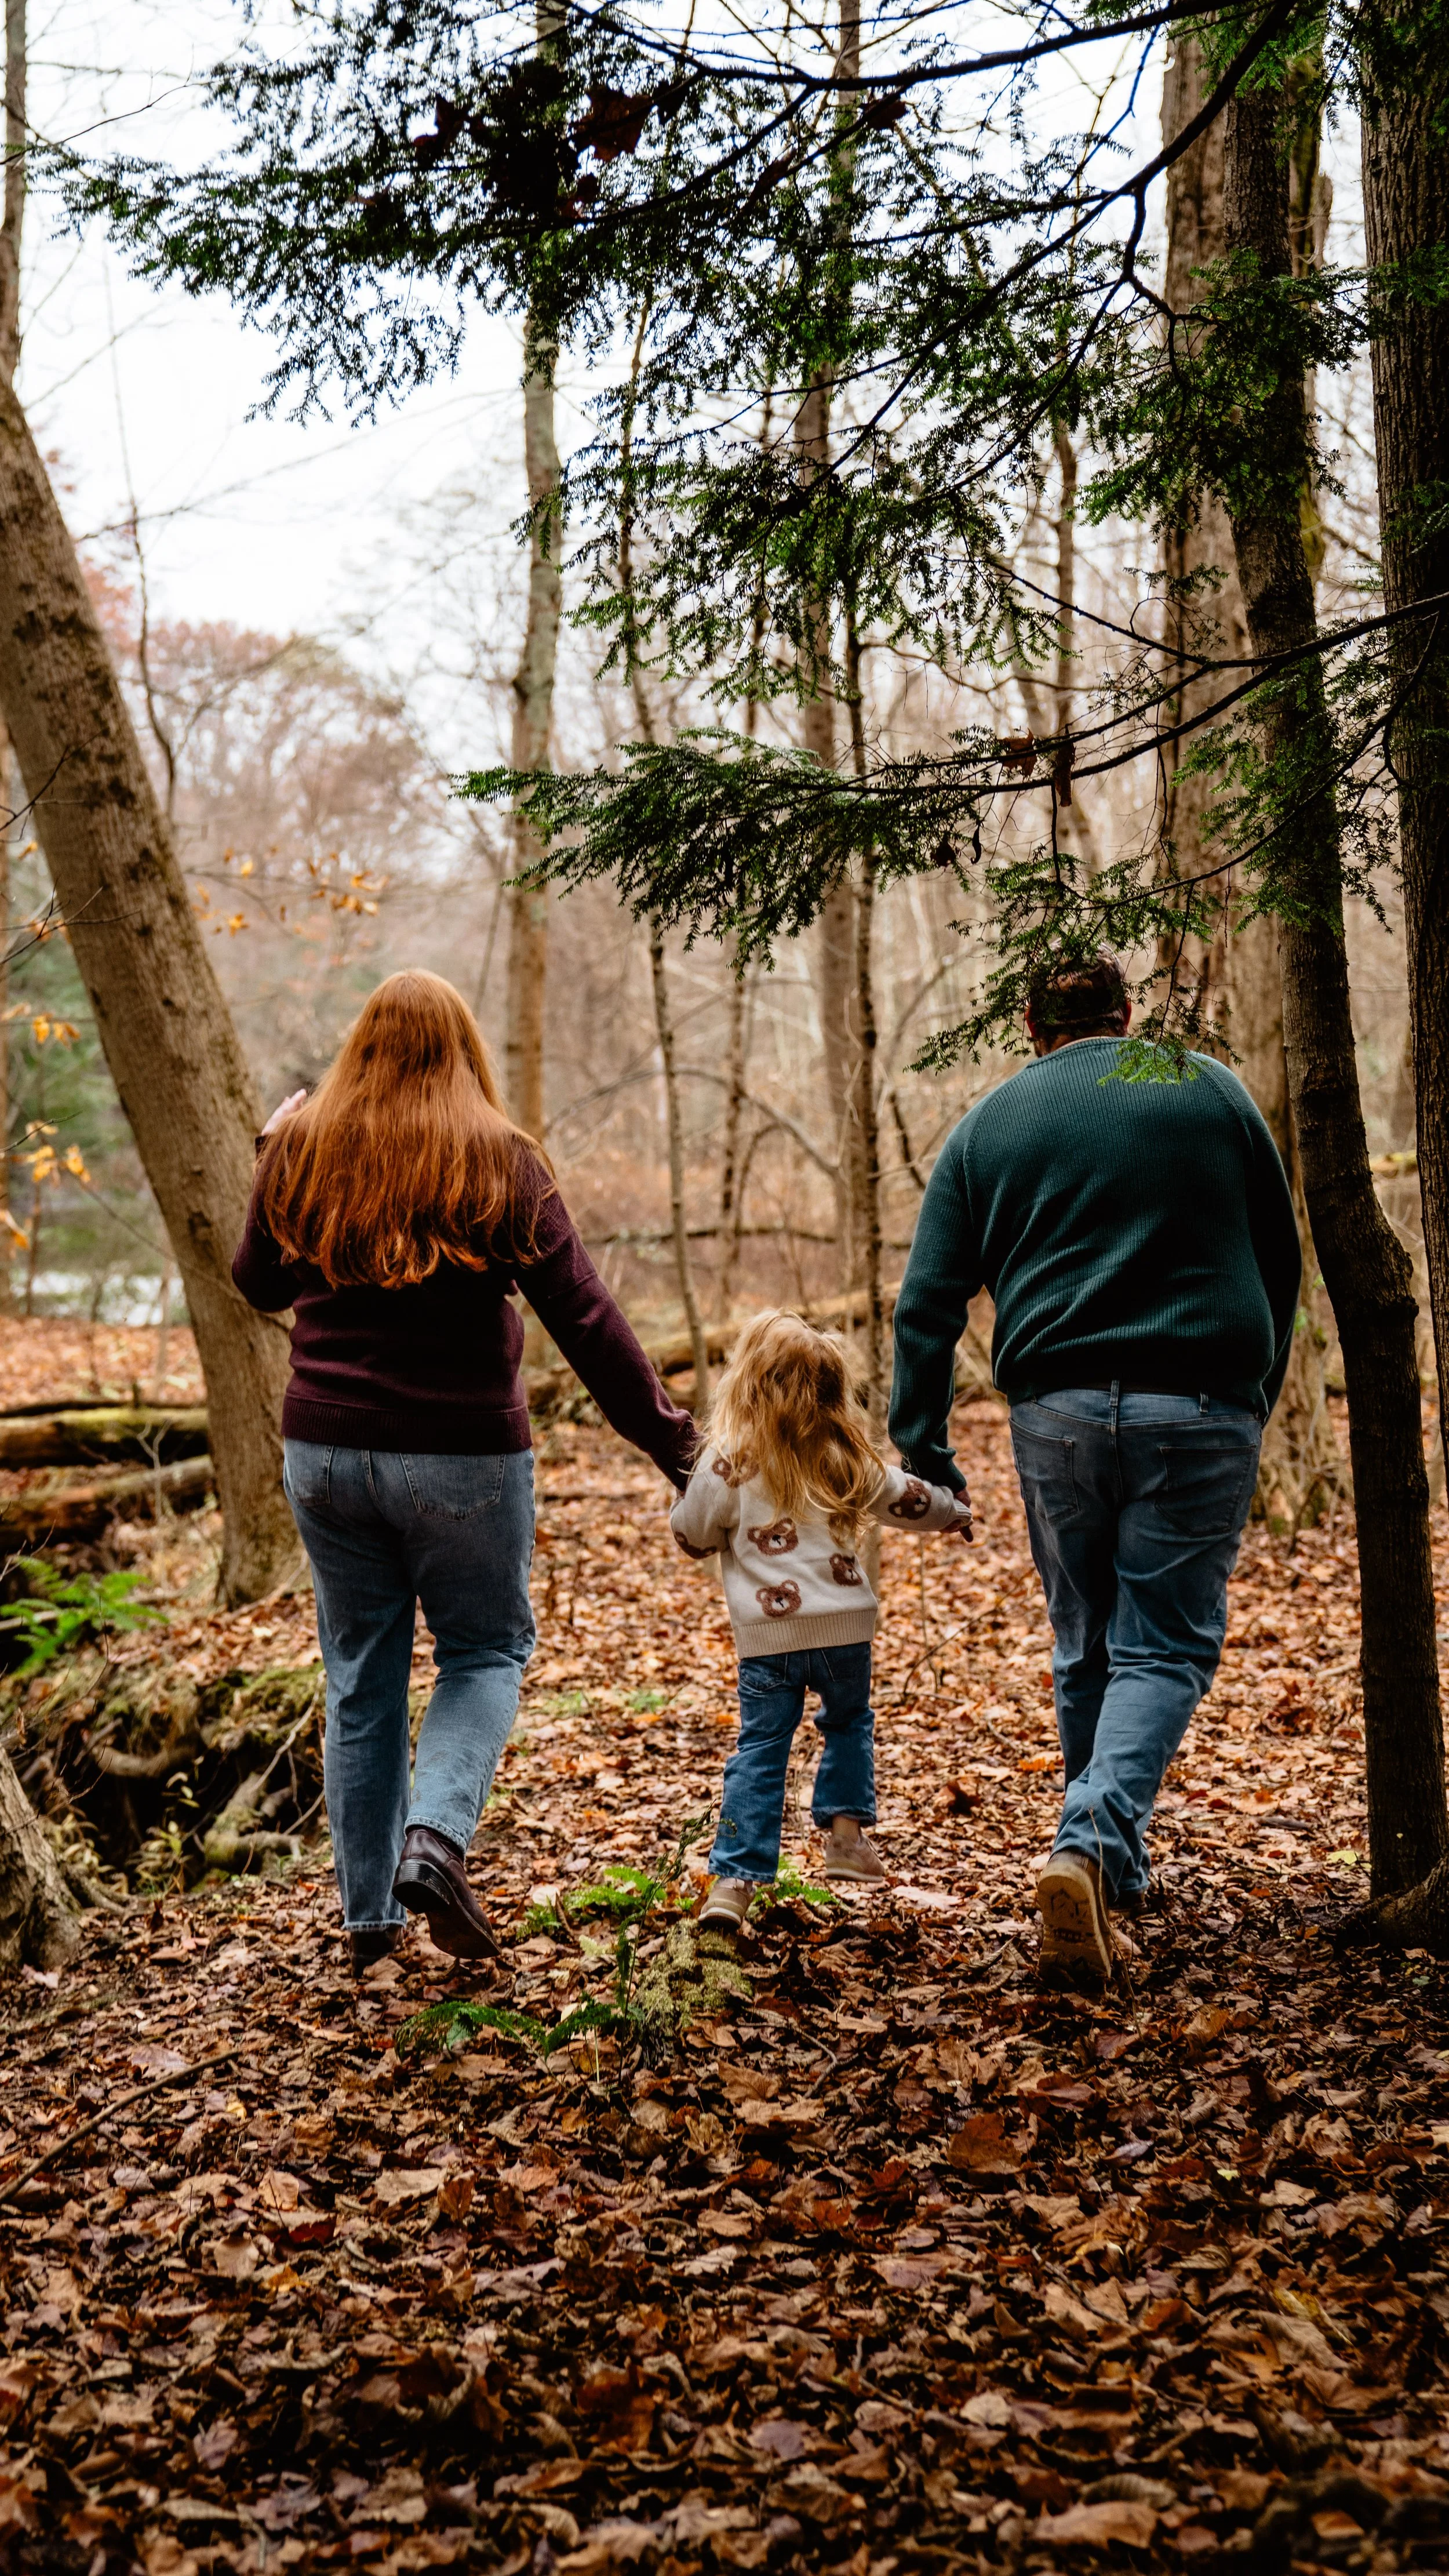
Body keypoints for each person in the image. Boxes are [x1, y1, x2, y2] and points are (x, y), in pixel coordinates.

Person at [233, 969, 696, 1977]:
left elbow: (257, 1281)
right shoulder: (500, 1158)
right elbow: (590, 1322)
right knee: (485, 1651)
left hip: (323, 1454)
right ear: (463, 1053)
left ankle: (368, 1924)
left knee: (362, 1677)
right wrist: (675, 1444)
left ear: (359, 1050)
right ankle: (435, 1841)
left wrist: (272, 1154)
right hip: (462, 1459)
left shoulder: (306, 1147)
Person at [889, 951, 1302, 1986]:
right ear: (1128, 1014)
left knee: (1087, 1641)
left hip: (1057, 1410)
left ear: (1031, 1024)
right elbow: (1281, 1255)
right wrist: (1262, 1386)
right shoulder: (1213, 1089)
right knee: (1162, 1647)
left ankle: (1099, 1859)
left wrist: (926, 1443)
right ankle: (1089, 1845)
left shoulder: (990, 1124)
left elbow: (927, 1303)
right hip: (1202, 1401)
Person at [670, 1309, 972, 1930]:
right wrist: (953, 1513)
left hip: (768, 1638)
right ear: (832, 1391)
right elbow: (906, 1496)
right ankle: (844, 1837)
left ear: (748, 1383)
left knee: (759, 1750)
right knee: (848, 1723)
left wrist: (693, 1537)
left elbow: (693, 1528)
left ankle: (733, 1882)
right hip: (844, 1630)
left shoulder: (729, 1460)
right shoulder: (843, 1456)